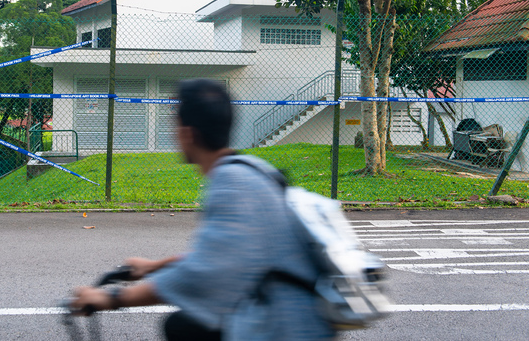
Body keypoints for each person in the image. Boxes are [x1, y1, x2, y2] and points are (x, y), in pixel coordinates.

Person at [71, 79, 334, 340]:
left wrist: (111, 297)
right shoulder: (251, 169)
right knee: (185, 326)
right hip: (298, 318)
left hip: (287, 328)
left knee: (183, 328)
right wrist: (153, 266)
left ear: (188, 134)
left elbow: (200, 275)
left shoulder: (231, 184)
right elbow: (221, 255)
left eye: (174, 124)